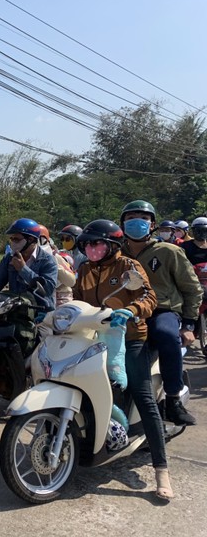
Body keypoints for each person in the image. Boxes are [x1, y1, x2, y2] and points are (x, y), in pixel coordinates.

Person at [71, 220, 172, 500]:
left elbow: (149, 297)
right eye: (88, 244)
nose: (91, 249)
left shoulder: (129, 267)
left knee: (143, 396)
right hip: (93, 335)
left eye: (96, 243)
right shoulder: (84, 269)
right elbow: (77, 299)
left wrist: (131, 310)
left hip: (129, 338)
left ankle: (161, 469)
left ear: (112, 245)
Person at [120, 200, 201, 426]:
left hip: (162, 310)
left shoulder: (169, 251)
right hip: (125, 312)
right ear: (122, 224)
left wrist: (188, 326)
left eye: (143, 218)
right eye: (130, 217)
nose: (137, 222)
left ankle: (173, 400)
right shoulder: (116, 253)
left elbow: (192, 289)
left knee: (166, 334)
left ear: (153, 223)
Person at [0, 218, 58, 312]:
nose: (13, 242)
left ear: (31, 239)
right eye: (12, 239)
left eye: (16, 239)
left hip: (41, 312)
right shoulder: (9, 258)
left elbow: (47, 289)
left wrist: (23, 269)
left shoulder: (48, 260)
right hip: (15, 310)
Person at [39, 225, 76, 307]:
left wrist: (54, 265)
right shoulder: (19, 260)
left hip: (61, 302)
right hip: (40, 301)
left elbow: (71, 281)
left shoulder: (56, 257)